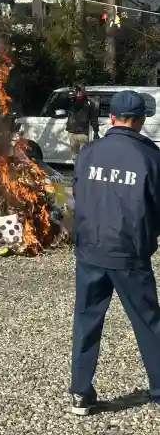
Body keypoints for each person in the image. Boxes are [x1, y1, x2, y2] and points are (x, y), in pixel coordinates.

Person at [70, 90, 160, 416]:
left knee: (86, 320)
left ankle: (80, 393)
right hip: (129, 253)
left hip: (90, 250)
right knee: (149, 322)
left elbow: (78, 195)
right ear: (141, 121)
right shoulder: (150, 157)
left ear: (111, 118)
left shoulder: (89, 152)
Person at [66, 85, 99, 162]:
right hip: (72, 132)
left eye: (80, 91)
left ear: (84, 92)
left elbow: (94, 118)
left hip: (83, 133)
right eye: (77, 91)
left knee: (83, 155)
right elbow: (62, 106)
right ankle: (76, 171)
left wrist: (96, 131)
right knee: (74, 155)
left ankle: (82, 172)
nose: (78, 93)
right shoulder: (71, 102)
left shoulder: (89, 103)